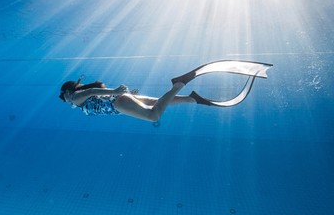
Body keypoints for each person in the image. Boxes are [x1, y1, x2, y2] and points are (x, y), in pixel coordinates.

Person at [59, 60, 273, 122]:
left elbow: (90, 92)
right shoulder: (79, 98)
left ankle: (179, 84)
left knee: (153, 115)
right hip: (119, 101)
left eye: (64, 95)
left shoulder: (76, 97)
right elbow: (95, 93)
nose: (65, 100)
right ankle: (192, 99)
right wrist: (121, 93)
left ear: (69, 91)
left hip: (117, 104)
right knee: (155, 101)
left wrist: (115, 91)